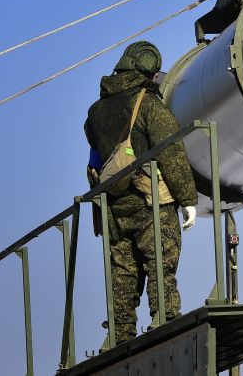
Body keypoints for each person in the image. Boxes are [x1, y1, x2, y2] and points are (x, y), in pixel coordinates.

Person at [84, 40, 198, 343]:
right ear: (150, 71)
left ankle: (121, 335)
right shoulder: (148, 105)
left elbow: (95, 160)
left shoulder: (96, 111)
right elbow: (172, 154)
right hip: (150, 202)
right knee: (161, 260)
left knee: (122, 271)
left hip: (114, 206)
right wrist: (188, 199)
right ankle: (165, 320)